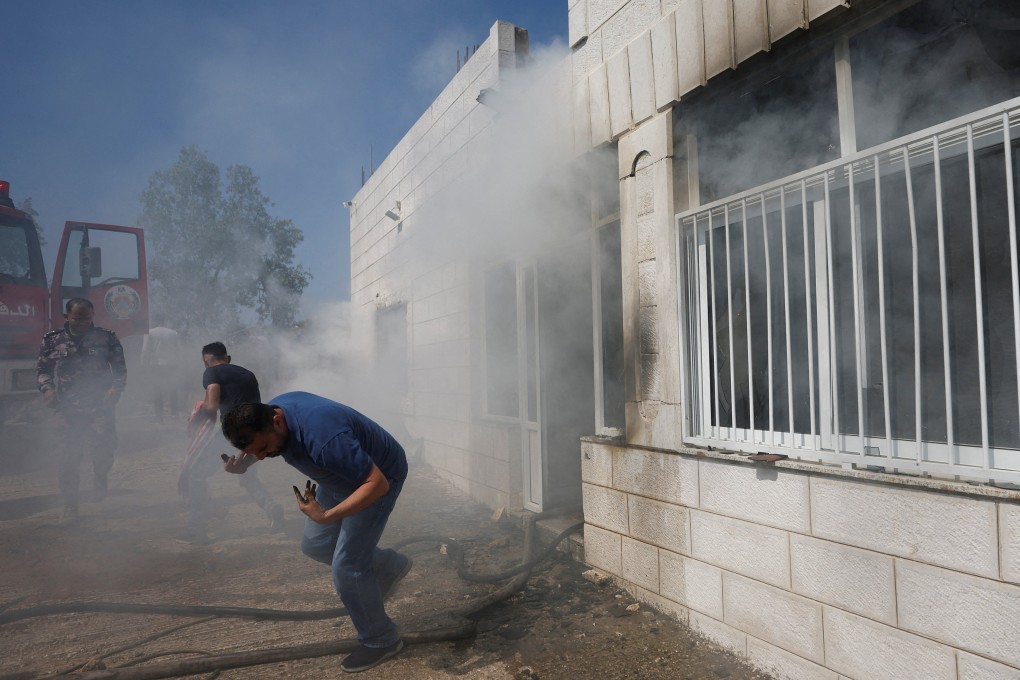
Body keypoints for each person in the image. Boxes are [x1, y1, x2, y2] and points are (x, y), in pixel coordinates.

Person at [221, 392, 411, 674]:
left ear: (277, 422)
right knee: (316, 544)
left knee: (347, 567)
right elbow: (258, 444)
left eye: (263, 449)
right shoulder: (270, 413)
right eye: (254, 453)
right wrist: (244, 464)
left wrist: (326, 515)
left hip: (376, 480)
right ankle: (390, 566)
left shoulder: (325, 440)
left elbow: (377, 484)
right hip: (336, 478)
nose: (262, 457)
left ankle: (381, 639)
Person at [178, 342, 284, 543]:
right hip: (257, 433)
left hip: (233, 432)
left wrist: (194, 420)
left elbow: (211, 404)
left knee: (196, 476)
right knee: (247, 476)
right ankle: (272, 508)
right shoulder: (247, 373)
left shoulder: (212, 372)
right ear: (228, 357)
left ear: (205, 360)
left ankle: (196, 530)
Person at [36, 297, 126, 523]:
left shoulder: (106, 338)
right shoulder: (52, 340)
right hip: (66, 408)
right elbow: (43, 369)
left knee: (104, 450)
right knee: (68, 457)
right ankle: (70, 507)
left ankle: (100, 477)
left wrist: (116, 389)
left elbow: (119, 368)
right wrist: (47, 389)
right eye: (78, 318)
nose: (83, 322)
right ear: (67, 317)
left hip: (100, 407)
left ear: (92, 316)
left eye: (87, 317)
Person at [139, 313, 182, 422]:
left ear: (155, 321)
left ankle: (159, 417)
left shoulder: (150, 333)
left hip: (157, 365)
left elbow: (145, 351)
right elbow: (178, 350)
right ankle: (174, 415)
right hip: (172, 365)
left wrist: (143, 365)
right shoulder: (173, 333)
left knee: (157, 390)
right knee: (173, 389)